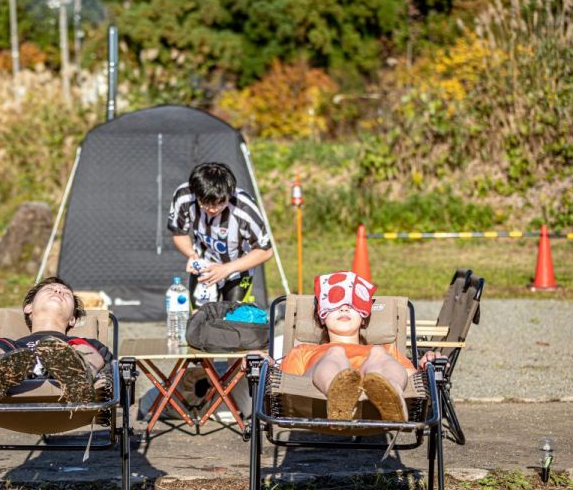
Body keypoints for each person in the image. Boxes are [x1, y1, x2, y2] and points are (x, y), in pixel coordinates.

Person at [280, 271, 441, 421]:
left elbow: (414, 379)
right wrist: (266, 363)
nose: (344, 308)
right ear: (321, 317)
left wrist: (427, 366)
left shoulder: (384, 351)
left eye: (352, 305)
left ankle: (392, 395)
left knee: (377, 353)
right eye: (335, 305)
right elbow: (283, 382)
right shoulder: (304, 351)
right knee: (335, 352)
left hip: (373, 404)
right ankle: (340, 395)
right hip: (318, 402)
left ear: (363, 318)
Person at [0, 277, 112, 405]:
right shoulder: (11, 344)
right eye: (50, 289)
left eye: (66, 293)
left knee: (83, 349)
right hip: (14, 375)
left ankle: (78, 377)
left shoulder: (79, 342)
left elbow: (108, 365)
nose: (58, 290)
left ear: (72, 319)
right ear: (29, 308)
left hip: (67, 379)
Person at [167, 162, 273, 304]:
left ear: (229, 194)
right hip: (205, 263)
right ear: (195, 193)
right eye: (205, 203)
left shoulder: (245, 208)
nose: (212, 209)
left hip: (237, 267)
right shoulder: (184, 197)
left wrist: (227, 269)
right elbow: (179, 232)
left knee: (232, 319)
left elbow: (265, 250)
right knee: (199, 317)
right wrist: (192, 254)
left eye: (220, 203)